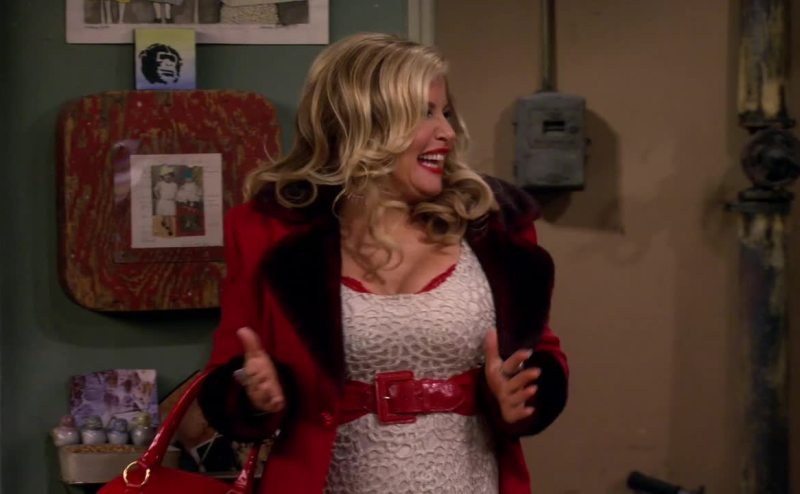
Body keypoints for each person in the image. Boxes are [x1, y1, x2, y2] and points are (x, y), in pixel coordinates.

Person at [198, 32, 569, 494]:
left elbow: (544, 356)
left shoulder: (495, 227)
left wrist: (524, 394)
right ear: (364, 122)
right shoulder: (268, 234)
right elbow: (227, 373)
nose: (447, 132)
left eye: (446, 112)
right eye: (424, 113)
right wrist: (250, 395)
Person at [153, 165, 178, 236]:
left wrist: (175, 199)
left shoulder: (174, 185)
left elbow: (176, 193)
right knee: (164, 214)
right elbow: (155, 190)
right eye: (166, 175)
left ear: (172, 176)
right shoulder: (160, 184)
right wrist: (158, 197)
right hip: (163, 201)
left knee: (169, 216)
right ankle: (163, 221)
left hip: (170, 202)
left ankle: (170, 229)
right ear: (163, 176)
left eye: (169, 175)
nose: (168, 177)